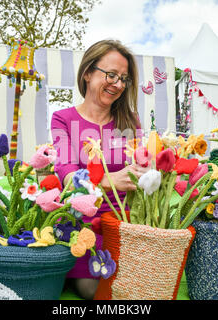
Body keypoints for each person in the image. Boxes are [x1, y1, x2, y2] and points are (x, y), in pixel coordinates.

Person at [50, 39, 149, 299]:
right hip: (83, 225)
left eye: (124, 79)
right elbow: (68, 176)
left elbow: (138, 169)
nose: (117, 84)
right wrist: (107, 180)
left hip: (124, 225)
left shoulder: (129, 121)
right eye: (111, 74)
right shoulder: (63, 119)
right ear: (87, 73)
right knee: (93, 290)